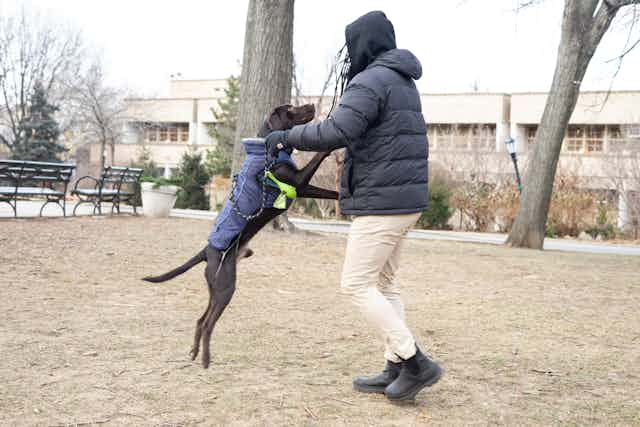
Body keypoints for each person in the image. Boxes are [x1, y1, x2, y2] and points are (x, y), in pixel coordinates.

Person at [265, 10, 442, 401]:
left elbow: (337, 130)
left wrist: (285, 135)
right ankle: (395, 365)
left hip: (384, 201)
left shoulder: (370, 80)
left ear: (362, 44)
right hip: (402, 199)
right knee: (385, 283)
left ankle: (416, 364)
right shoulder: (401, 79)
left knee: (355, 285)